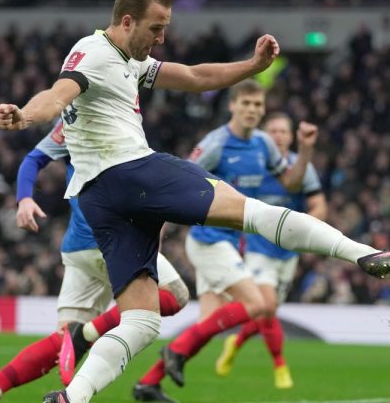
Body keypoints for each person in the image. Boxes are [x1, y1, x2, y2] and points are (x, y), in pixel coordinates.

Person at [0, 0, 390, 403]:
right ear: (126, 21)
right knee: (253, 212)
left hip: (100, 200)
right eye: (156, 28)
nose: (162, 38)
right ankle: (365, 255)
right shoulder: (91, 54)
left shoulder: (127, 59)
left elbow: (196, 75)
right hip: (131, 172)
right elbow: (57, 94)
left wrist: (253, 67)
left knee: (143, 321)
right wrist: (25, 115)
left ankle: (72, 397)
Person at [0, 120, 189, 403]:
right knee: (173, 295)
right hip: (113, 240)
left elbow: (33, 159)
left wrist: (24, 199)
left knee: (63, 341)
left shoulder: (71, 120)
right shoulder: (109, 116)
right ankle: (88, 334)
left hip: (78, 246)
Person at [131, 84, 320, 401]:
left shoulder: (263, 144)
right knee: (256, 304)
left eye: (257, 104)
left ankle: (148, 384)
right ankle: (174, 351)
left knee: (206, 328)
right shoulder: (216, 143)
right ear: (232, 105)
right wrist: (158, 231)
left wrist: (306, 150)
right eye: (245, 102)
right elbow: (177, 182)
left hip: (230, 242)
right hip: (208, 240)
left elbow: (290, 181)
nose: (252, 109)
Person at [214, 111, 327, 388]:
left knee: (266, 311)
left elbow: (319, 205)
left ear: (291, 137)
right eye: (273, 131)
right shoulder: (253, 165)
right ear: (264, 136)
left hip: (288, 253)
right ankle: (280, 366)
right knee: (267, 306)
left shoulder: (302, 168)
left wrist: (309, 228)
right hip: (257, 248)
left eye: (283, 131)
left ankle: (236, 341)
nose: (278, 136)